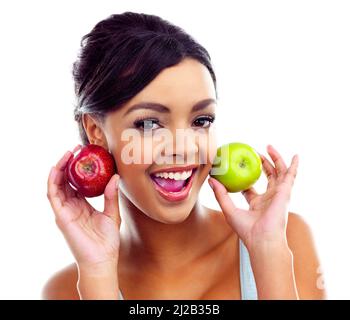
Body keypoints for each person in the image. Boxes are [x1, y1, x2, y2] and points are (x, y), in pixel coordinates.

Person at [44, 11, 326, 300]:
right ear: (95, 131)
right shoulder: (66, 290)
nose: (184, 147)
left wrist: (268, 251)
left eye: (201, 120)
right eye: (149, 124)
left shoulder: (286, 239)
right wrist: (98, 273)